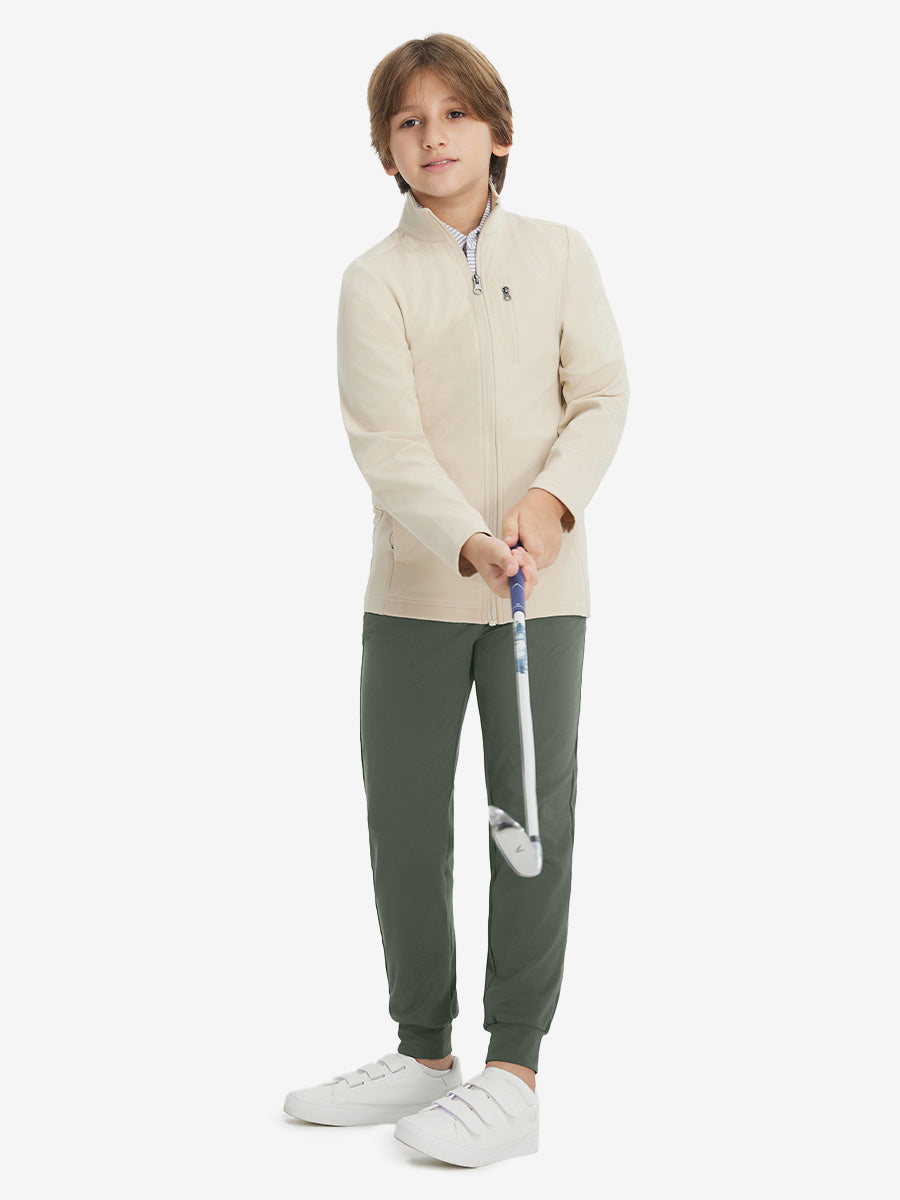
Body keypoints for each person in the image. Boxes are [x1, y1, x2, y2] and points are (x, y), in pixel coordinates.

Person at [283, 33, 629, 1168]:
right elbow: (386, 445)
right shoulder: (374, 281)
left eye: (454, 115)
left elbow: (601, 396)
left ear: (499, 132)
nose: (433, 137)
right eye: (408, 121)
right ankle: (424, 1050)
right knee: (404, 818)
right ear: (385, 151)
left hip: (545, 594)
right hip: (417, 594)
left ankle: (513, 1068)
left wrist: (550, 504)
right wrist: (470, 540)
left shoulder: (562, 254)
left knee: (531, 815)